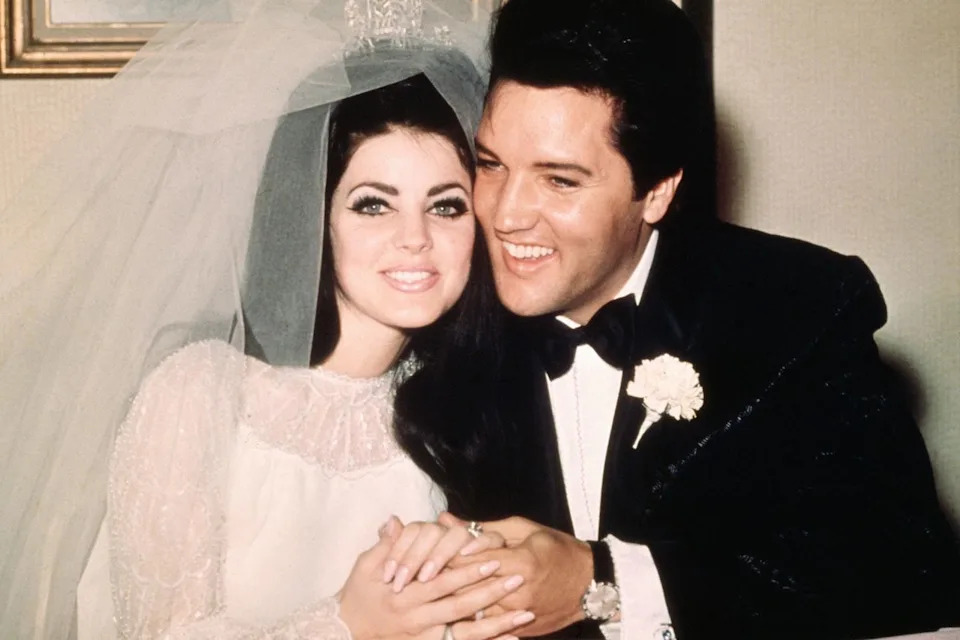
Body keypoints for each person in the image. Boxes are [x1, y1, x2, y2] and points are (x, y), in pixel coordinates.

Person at [394, 0, 960, 638]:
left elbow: (907, 577)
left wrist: (601, 582)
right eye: (492, 164)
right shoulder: (439, 314)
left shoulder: (797, 311)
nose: (504, 215)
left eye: (559, 181)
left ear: (657, 189)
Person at [0, 1, 527, 638]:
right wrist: (345, 626)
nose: (414, 238)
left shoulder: (476, 405)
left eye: (445, 206)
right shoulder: (202, 394)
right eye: (372, 205)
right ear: (311, 218)